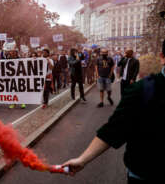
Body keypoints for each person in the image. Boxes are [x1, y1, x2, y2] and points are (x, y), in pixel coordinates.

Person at [61, 40, 165, 183]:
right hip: (144, 175)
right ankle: (104, 100)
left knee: (109, 91)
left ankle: (108, 98)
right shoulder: (143, 90)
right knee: (109, 93)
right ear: (162, 58)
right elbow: (115, 129)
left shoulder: (137, 78)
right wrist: (83, 159)